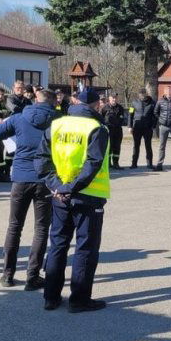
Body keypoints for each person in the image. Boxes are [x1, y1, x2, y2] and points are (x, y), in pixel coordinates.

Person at [34, 88, 109, 313]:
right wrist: (69, 188)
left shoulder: (56, 125)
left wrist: (57, 185)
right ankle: (79, 300)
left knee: (57, 245)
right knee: (85, 248)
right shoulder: (97, 128)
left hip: (59, 195)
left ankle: (50, 296)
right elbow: (92, 164)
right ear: (97, 106)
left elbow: (41, 159)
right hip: (88, 196)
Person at [0, 89, 57, 290]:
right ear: (54, 103)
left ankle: (7, 274)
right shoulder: (58, 121)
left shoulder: (18, 118)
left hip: (21, 178)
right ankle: (32, 276)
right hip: (45, 179)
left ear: (35, 100)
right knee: (41, 229)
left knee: (14, 226)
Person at [129, 90, 156, 169]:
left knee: (148, 146)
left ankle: (149, 163)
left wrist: (153, 126)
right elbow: (130, 115)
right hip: (137, 128)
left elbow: (155, 115)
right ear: (139, 95)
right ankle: (134, 164)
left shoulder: (152, 103)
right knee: (136, 146)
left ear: (146, 94)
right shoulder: (134, 102)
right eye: (140, 95)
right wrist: (130, 126)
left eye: (143, 95)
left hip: (148, 128)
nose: (142, 96)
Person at [102, 94, 127, 169]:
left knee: (117, 147)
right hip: (108, 130)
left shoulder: (120, 108)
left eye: (115, 98)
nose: (114, 99)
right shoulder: (105, 108)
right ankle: (108, 164)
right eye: (113, 98)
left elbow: (122, 118)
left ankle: (116, 163)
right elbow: (101, 118)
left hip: (118, 130)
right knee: (109, 147)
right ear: (109, 99)